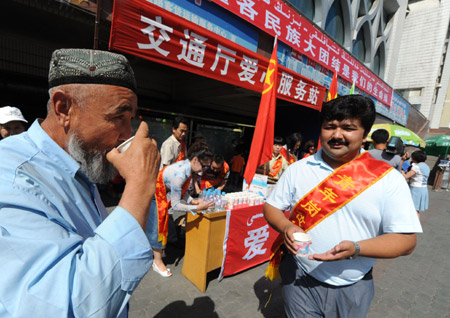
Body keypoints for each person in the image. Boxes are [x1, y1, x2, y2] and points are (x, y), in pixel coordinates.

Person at [0, 48, 161, 317]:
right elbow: (72, 305)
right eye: (118, 117)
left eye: (130, 120)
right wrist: (140, 185)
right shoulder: (12, 176)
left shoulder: (78, 162)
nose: (127, 135)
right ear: (64, 108)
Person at [263, 95, 422, 317]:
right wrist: (286, 226)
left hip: (353, 285)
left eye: (348, 128)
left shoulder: (387, 178)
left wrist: (356, 248)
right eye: (330, 127)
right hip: (299, 276)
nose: (337, 135)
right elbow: (271, 207)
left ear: (364, 134)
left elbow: (406, 241)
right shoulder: (298, 169)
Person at [149, 141, 214, 277]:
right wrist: (197, 207)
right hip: (155, 193)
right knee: (158, 225)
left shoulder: (188, 166)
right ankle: (157, 261)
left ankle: (157, 250)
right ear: (195, 159)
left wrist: (191, 200)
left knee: (160, 224)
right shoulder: (181, 174)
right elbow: (176, 204)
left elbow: (181, 191)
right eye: (204, 166)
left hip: (162, 191)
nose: (205, 169)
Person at [402, 150, 430, 217]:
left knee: (413, 210)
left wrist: (402, 171)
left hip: (416, 189)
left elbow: (406, 176)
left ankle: (415, 225)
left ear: (414, 158)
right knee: (416, 210)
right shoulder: (426, 166)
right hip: (423, 189)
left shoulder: (416, 167)